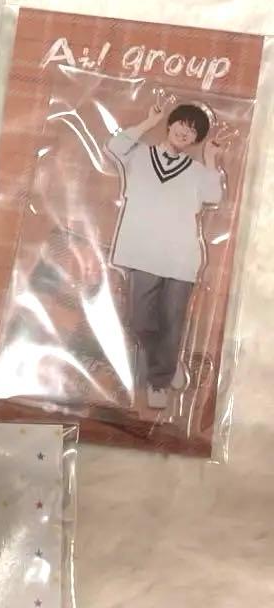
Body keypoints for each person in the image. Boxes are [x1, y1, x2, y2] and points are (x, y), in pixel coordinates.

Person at [106, 96, 228, 410]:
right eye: (182, 124)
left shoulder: (197, 171)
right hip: (143, 252)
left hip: (181, 256)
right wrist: (149, 121)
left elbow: (213, 196)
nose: (185, 132)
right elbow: (115, 146)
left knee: (172, 320)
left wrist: (210, 158)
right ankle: (168, 363)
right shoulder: (139, 156)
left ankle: (158, 380)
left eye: (193, 131)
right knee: (141, 321)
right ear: (171, 124)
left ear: (197, 139)